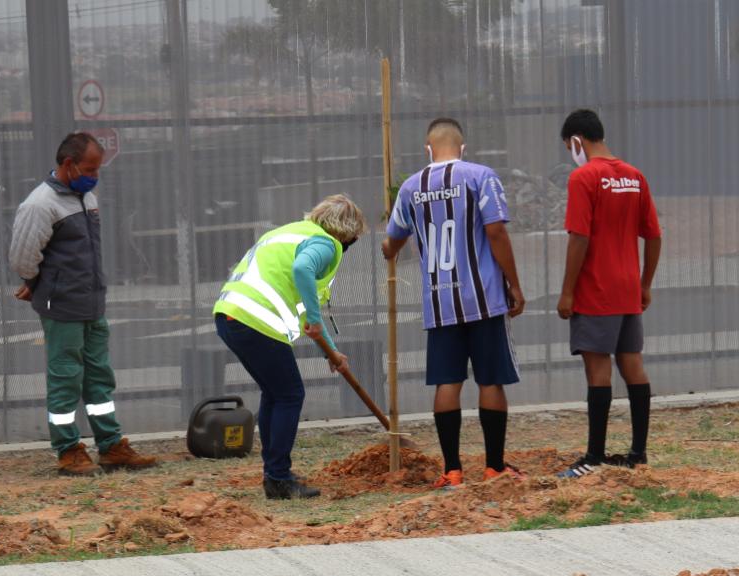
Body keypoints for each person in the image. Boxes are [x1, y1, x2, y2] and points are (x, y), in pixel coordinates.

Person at [382, 118, 525, 489]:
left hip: (440, 302)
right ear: (462, 148)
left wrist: (394, 245)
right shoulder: (481, 176)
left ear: (427, 149)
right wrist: (514, 283)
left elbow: (389, 243)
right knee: (490, 379)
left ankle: (453, 471)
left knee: (448, 382)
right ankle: (494, 467)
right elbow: (495, 231)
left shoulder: (411, 187)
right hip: (483, 299)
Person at [9, 132, 157, 476]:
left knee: (98, 377)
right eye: (90, 168)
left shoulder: (86, 196)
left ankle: (111, 446)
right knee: (65, 377)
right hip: (62, 305)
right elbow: (22, 257)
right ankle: (68, 449)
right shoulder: (40, 204)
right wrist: (35, 283)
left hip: (91, 302)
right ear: (68, 165)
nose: (96, 175)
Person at [213, 194, 366, 499]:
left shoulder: (288, 232)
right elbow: (302, 271)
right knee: (289, 394)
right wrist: (314, 318)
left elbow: (312, 314)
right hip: (256, 320)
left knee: (276, 393)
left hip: (230, 315)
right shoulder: (326, 243)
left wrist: (331, 352)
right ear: (346, 232)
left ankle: (275, 474)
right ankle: (278, 477)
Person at [556, 109, 662, 478]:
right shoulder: (634, 176)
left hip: (596, 290)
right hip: (628, 288)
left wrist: (567, 291)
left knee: (597, 368)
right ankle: (638, 453)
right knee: (632, 363)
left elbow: (579, 237)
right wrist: (645, 283)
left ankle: (593, 457)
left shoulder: (583, 177)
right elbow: (653, 235)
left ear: (576, 142)